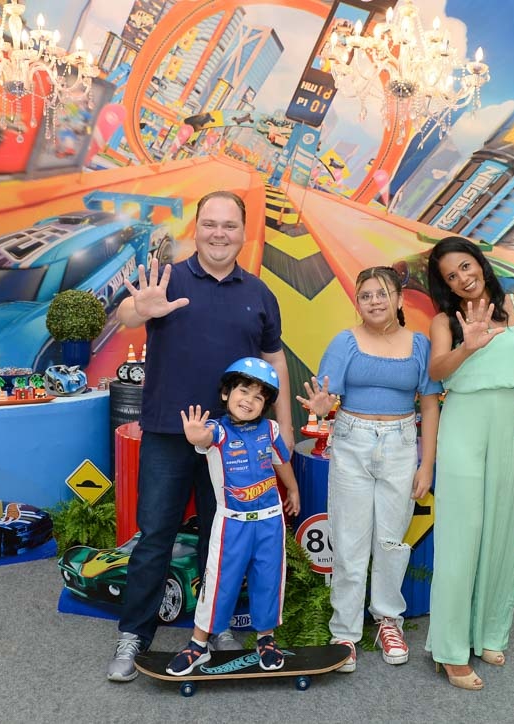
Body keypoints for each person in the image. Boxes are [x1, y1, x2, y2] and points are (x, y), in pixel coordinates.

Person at [106, 190, 294, 682]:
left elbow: (275, 361)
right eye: (210, 223)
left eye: (229, 225)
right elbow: (127, 317)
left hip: (235, 443)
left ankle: (216, 627)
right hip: (169, 433)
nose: (218, 234)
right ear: (197, 228)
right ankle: (134, 634)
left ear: (243, 232)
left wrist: (286, 428)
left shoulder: (259, 293)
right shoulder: (170, 278)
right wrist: (140, 308)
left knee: (223, 538)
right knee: (155, 535)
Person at [425, 236, 514, 691]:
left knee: (504, 532)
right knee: (461, 536)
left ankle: (489, 633)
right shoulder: (444, 321)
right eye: (451, 276)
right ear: (446, 285)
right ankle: (450, 651)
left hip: (512, 427)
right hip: (463, 426)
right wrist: (468, 345)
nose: (462, 279)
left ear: (480, 264)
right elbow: (436, 371)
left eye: (466, 267)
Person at [296, 266, 441, 673]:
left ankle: (387, 621)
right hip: (352, 442)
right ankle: (344, 631)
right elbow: (325, 398)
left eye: (382, 293)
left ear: (399, 299)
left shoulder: (420, 345)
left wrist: (427, 464)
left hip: (401, 445)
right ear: (357, 303)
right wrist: (322, 409)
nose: (374, 301)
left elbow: (430, 404)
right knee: (349, 541)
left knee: (392, 541)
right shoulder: (344, 342)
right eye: (365, 295)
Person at [167, 357, 301, 675]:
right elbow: (203, 439)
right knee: (220, 583)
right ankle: (199, 644)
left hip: (270, 521)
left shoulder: (271, 429)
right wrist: (195, 436)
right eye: (243, 391)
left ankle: (266, 639)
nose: (249, 401)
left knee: (268, 580)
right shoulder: (218, 431)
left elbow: (281, 461)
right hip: (232, 524)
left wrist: (293, 489)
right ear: (226, 393)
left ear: (265, 404)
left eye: (259, 397)